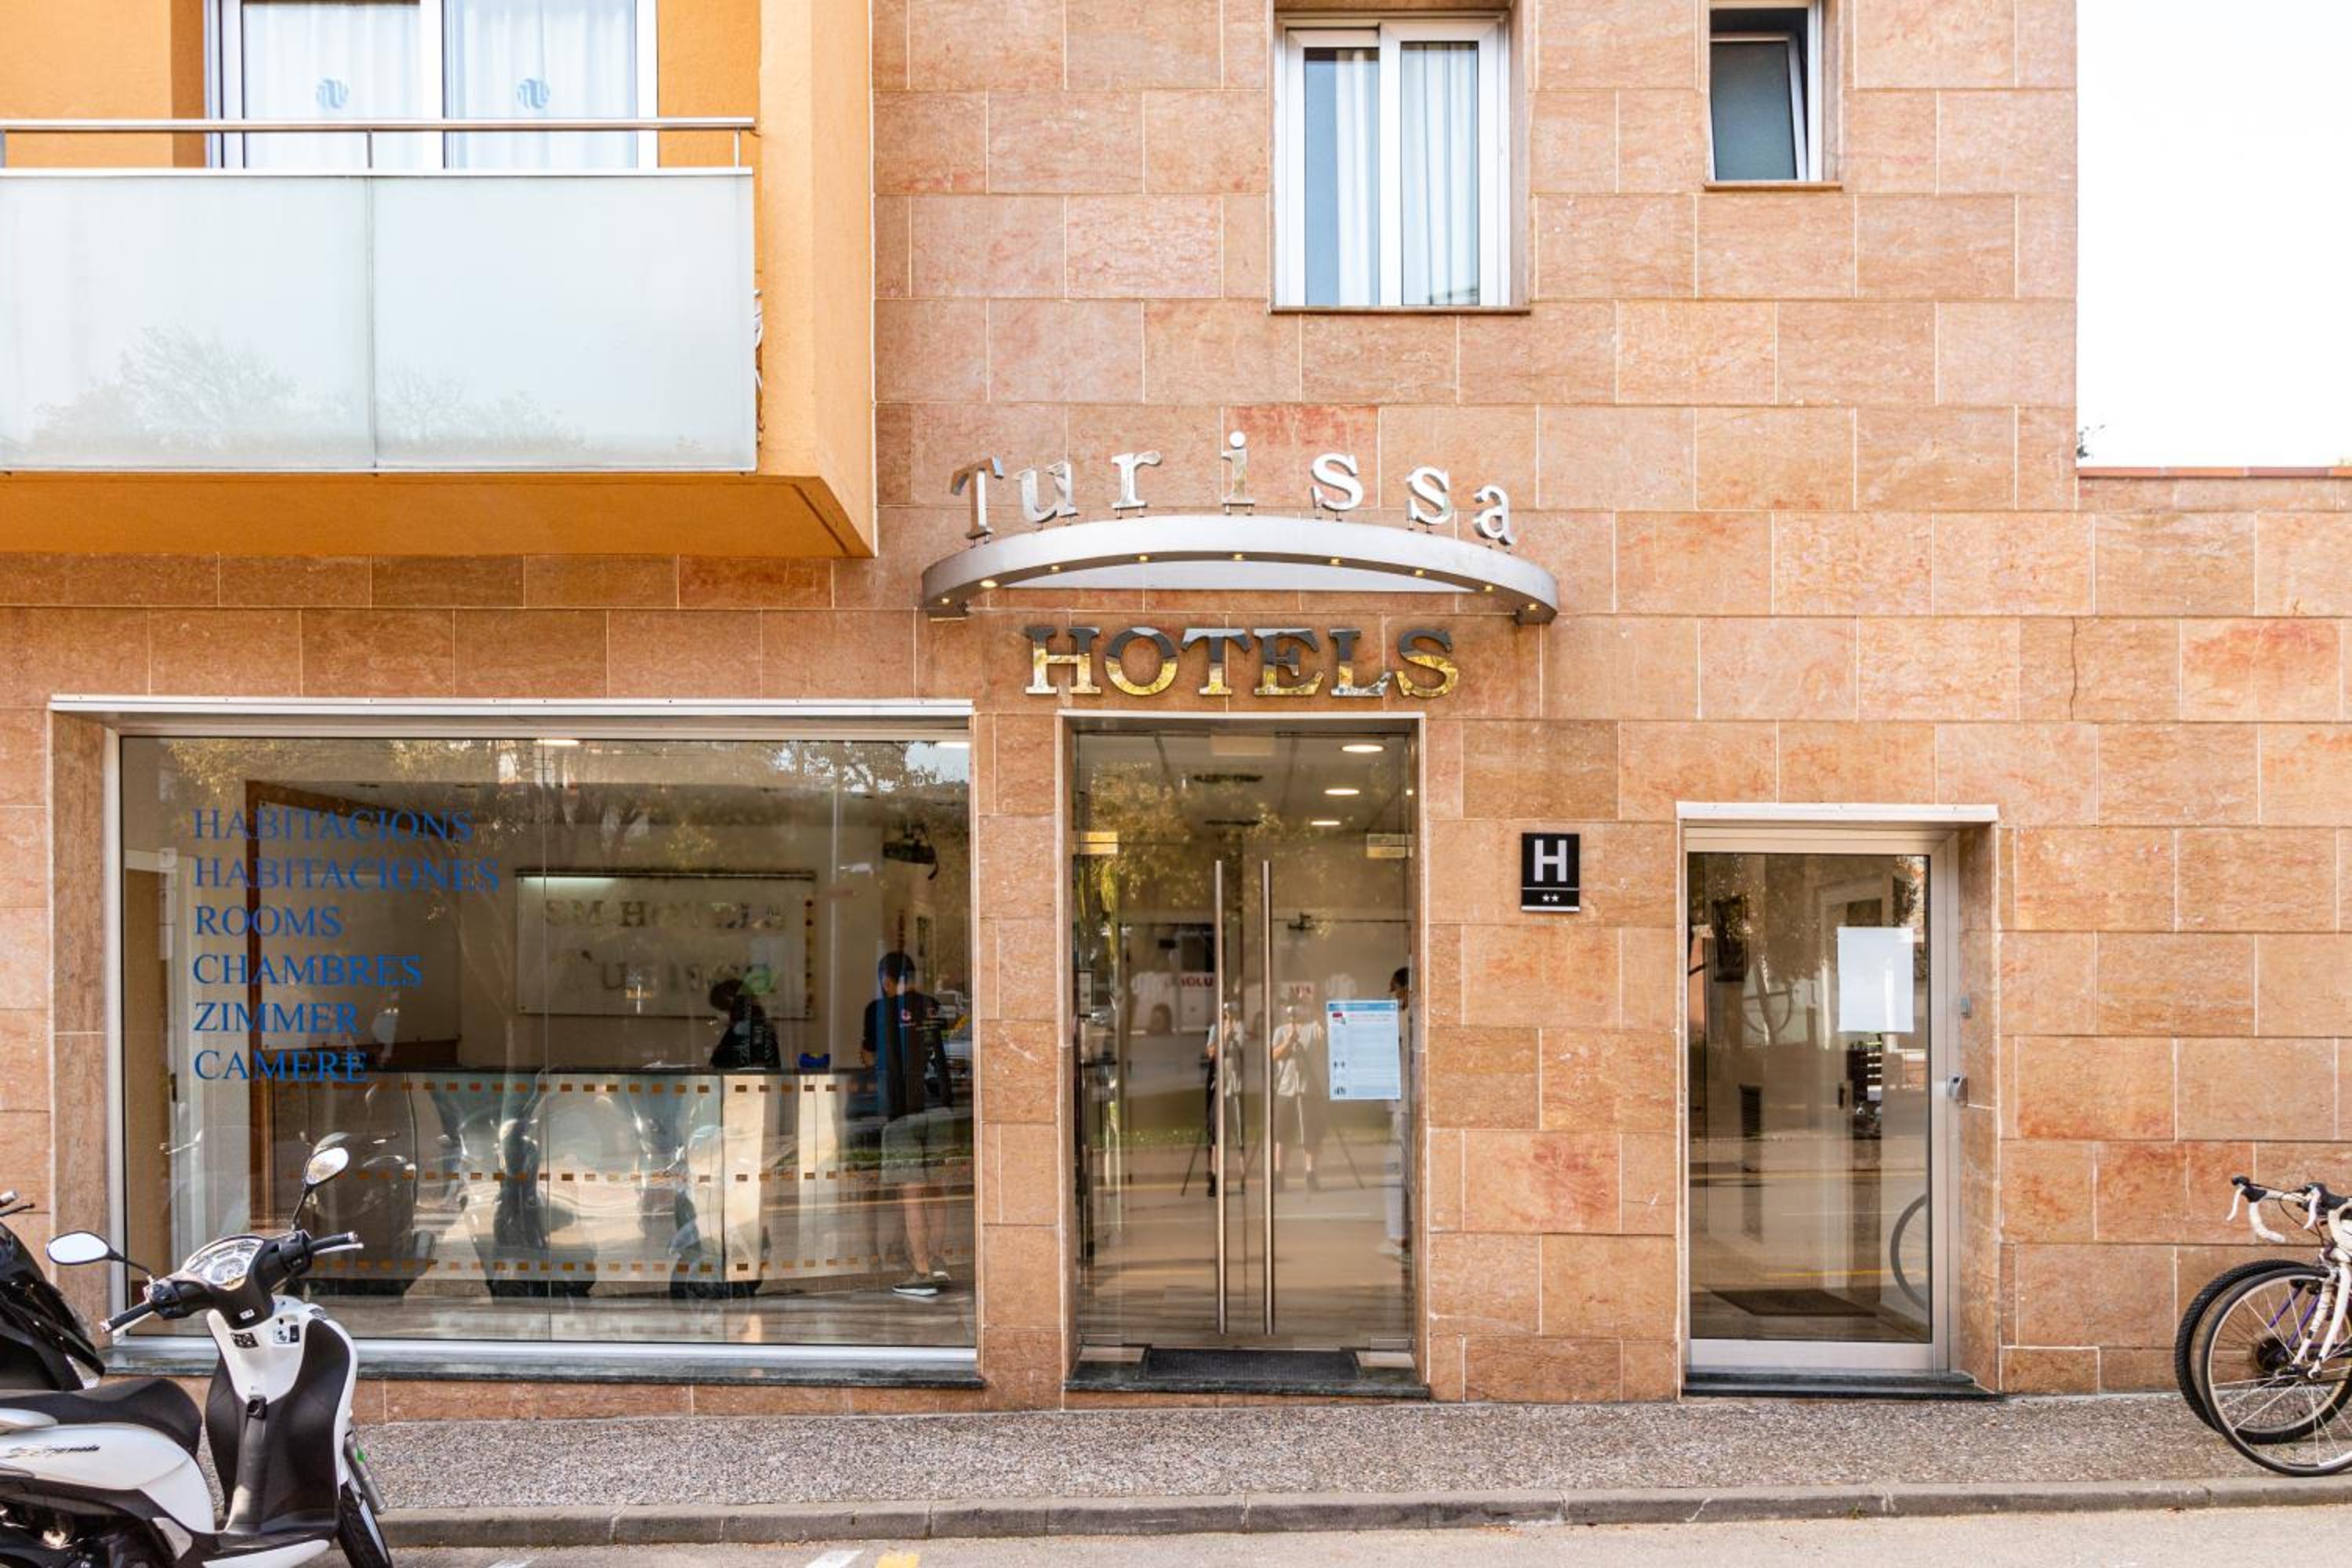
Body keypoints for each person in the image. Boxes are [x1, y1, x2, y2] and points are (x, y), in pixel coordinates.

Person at [862, 951, 959, 1299]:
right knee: (936, 1189)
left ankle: (921, 1274)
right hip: (939, 1107)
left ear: (886, 981)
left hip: (902, 1111)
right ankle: (938, 1261)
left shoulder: (878, 1009)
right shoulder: (933, 1007)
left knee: (911, 1192)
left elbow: (870, 1056)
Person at [1269, 996, 1323, 1191]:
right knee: (1282, 1135)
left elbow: (1326, 1029)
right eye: (1292, 1008)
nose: (1295, 1011)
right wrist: (1288, 1042)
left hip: (1309, 1089)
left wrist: (1312, 1004)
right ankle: (1279, 1175)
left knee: (1311, 1134)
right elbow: (1273, 1055)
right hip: (1286, 1089)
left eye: (1299, 1007)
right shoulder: (1280, 1031)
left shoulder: (1313, 1028)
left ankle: (1310, 1174)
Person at [707, 978, 781, 1071]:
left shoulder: (746, 1028)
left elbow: (720, 1061)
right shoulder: (758, 1026)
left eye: (721, 1009)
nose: (719, 1015)